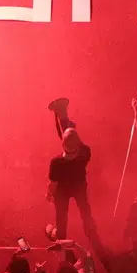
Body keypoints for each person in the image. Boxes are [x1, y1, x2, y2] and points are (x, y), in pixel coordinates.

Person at [44, 98, 100, 246]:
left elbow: (53, 183)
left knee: (61, 216)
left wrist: (49, 194)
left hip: (61, 192)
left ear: (62, 144)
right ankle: (90, 229)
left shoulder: (56, 162)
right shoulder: (85, 153)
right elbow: (78, 143)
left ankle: (60, 237)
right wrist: (68, 127)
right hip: (79, 186)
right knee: (84, 208)